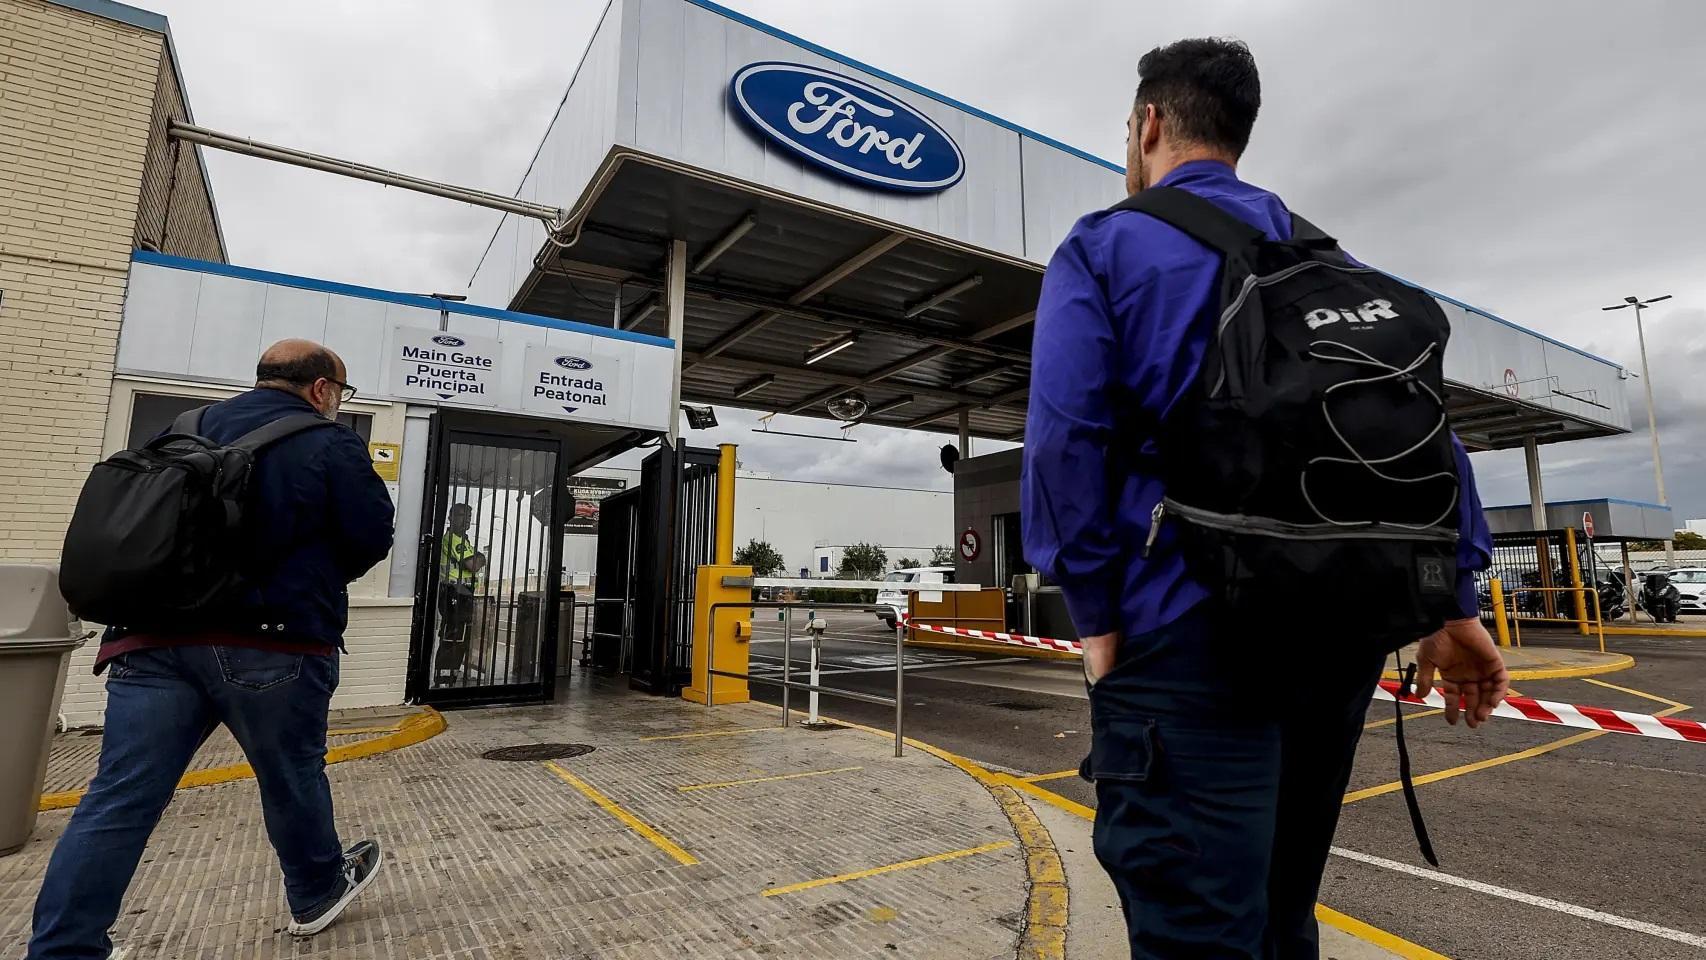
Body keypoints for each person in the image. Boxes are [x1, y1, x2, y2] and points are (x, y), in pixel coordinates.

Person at [1021, 39, 1510, 959]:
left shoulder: (1104, 246)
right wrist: (1451, 603)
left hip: (1189, 635)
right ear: (1240, 136)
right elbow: (1421, 433)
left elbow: (1064, 441)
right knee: (1285, 917)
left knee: (1198, 930)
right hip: (1337, 645)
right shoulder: (1335, 266)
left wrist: (1096, 625)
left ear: (1149, 126)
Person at [30, 339, 395, 959]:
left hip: (149, 642)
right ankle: (315, 891)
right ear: (322, 390)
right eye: (341, 392)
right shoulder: (330, 442)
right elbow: (371, 536)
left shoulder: (178, 431)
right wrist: (311, 575)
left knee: (119, 796)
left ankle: (66, 948)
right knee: (290, 777)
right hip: (273, 643)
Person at [434, 502, 485, 682]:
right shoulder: (453, 539)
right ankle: (444, 677)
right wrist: (482, 557)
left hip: (462, 592)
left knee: (461, 635)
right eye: (461, 515)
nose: (466, 520)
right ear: (450, 518)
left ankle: (451, 674)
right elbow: (473, 565)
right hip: (454, 592)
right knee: (453, 634)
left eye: (469, 517)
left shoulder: (463, 540)